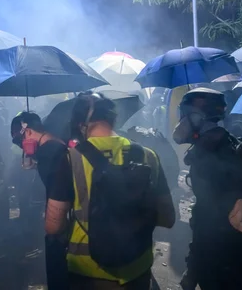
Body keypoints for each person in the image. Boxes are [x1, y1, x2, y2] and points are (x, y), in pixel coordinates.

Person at [46, 91, 175, 290]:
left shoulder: (71, 159)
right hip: (136, 270)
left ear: (80, 124)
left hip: (87, 273)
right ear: (113, 118)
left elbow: (53, 226)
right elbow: (167, 218)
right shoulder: (148, 156)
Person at [174, 88, 242, 290]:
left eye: (185, 115)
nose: (180, 122)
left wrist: (193, 268)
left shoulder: (208, 156)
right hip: (238, 253)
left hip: (220, 258)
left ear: (197, 117)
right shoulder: (230, 142)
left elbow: (205, 221)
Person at [10, 111, 70, 289]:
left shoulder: (48, 153)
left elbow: (59, 194)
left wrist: (52, 227)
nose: (21, 146)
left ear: (27, 131)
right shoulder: (56, 144)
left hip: (63, 230)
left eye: (17, 141)